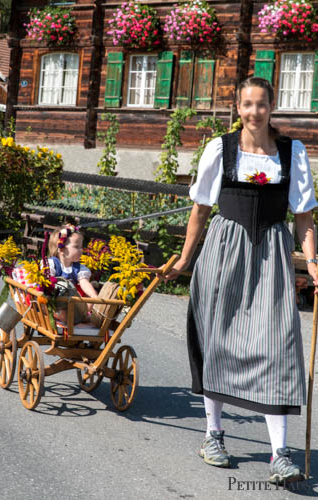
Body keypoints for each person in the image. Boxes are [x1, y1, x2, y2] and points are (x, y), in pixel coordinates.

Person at [166, 76, 318, 484]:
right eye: (247, 105)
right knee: (220, 343)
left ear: (272, 107)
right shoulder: (221, 148)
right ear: (238, 108)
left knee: (278, 346)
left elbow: (303, 215)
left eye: (261, 105)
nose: (254, 112)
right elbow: (200, 210)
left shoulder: (292, 152)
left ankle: (280, 454)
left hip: (271, 252)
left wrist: (313, 261)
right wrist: (184, 259)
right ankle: (213, 435)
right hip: (225, 251)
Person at [48, 224, 99, 324]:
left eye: (81, 247)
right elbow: (47, 282)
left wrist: (94, 296)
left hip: (73, 304)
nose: (81, 250)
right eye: (77, 247)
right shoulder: (52, 264)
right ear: (61, 249)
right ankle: (64, 316)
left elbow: (84, 282)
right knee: (61, 287)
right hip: (56, 302)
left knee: (88, 296)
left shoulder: (78, 268)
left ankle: (82, 314)